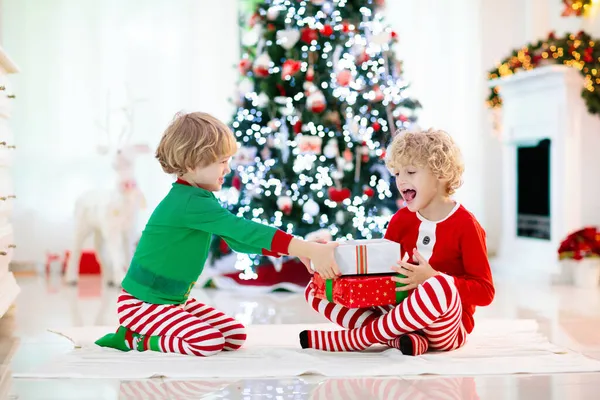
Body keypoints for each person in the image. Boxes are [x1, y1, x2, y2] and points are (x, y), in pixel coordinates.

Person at [96, 111, 340, 357]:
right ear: (192, 164)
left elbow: (239, 240)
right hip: (142, 304)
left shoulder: (198, 197)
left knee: (234, 336)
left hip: (171, 301)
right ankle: (135, 339)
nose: (228, 168)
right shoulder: (189, 202)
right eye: (222, 161)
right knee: (207, 342)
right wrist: (305, 249)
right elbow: (244, 230)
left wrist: (298, 249)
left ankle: (152, 330)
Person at [299, 128, 495, 355]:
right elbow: (380, 270)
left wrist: (432, 277)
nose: (401, 181)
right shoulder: (401, 219)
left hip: (446, 327)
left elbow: (485, 292)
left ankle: (358, 338)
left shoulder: (467, 225)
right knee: (316, 288)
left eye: (410, 172)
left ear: (440, 174)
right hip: (400, 318)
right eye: (397, 174)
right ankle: (398, 340)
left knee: (438, 286)